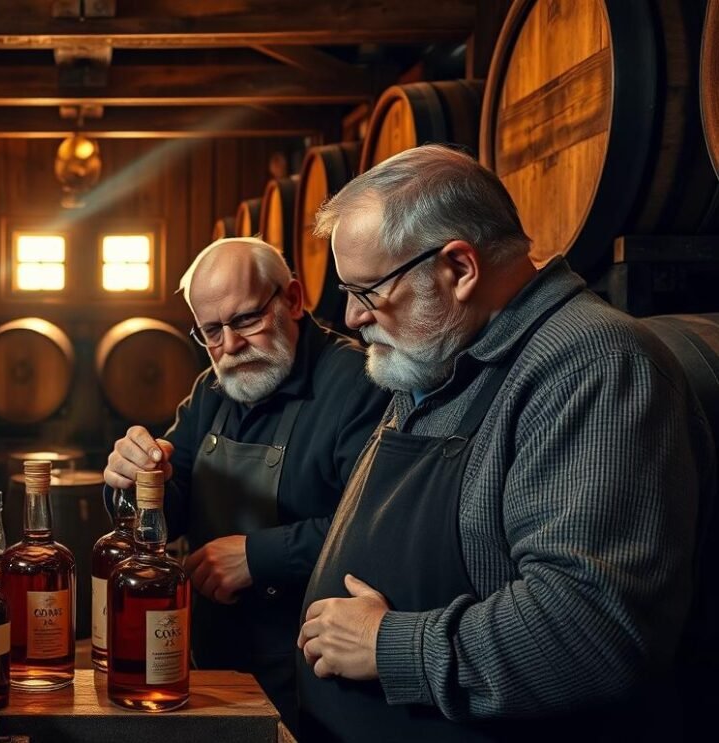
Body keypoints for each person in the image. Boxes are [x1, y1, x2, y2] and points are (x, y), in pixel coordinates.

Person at [296, 144, 712, 741]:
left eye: (367, 291)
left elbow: (593, 625)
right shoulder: (439, 351)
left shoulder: (590, 366)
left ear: (460, 269)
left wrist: (392, 646)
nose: (353, 316)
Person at [103, 237, 390, 723]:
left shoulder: (359, 383)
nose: (230, 346)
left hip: (313, 670)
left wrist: (257, 556)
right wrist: (132, 482)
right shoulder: (212, 390)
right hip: (210, 659)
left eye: (245, 320)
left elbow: (375, 528)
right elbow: (168, 511)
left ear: (294, 299)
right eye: (211, 331)